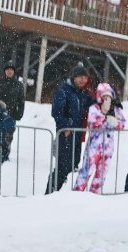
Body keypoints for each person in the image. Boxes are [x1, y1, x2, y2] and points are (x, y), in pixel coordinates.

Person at [46, 64, 95, 194]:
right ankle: (50, 192)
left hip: (77, 134)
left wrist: (108, 99)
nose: (82, 80)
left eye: (85, 77)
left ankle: (54, 189)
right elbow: (56, 112)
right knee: (63, 166)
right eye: (80, 77)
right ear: (73, 77)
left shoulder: (83, 93)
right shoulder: (64, 90)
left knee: (73, 163)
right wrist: (66, 125)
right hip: (66, 133)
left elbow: (94, 103)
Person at [74, 82, 126, 193]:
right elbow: (93, 121)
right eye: (104, 97)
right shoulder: (94, 108)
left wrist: (115, 121)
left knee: (101, 173)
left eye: (109, 97)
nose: (107, 99)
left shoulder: (116, 109)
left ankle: (95, 195)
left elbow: (122, 124)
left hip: (108, 146)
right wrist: (104, 113)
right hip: (94, 145)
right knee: (87, 170)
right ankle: (77, 193)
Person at [0, 60, 25, 161]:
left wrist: (19, 113)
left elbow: (21, 101)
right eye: (7, 69)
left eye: (11, 70)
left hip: (12, 114)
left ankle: (5, 154)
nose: (9, 71)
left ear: (14, 71)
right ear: (4, 71)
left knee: (9, 135)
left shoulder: (19, 85)